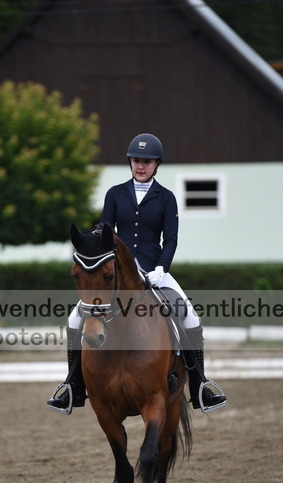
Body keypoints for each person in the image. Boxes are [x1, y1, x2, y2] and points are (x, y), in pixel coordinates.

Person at [47, 133, 226, 414]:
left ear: (157, 164)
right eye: (136, 161)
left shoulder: (166, 198)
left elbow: (171, 240)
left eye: (147, 161)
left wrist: (161, 268)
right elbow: (105, 231)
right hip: (118, 271)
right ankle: (73, 387)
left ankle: (200, 385)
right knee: (74, 319)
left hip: (155, 270)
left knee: (190, 316)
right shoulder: (115, 194)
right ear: (130, 162)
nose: (140, 166)